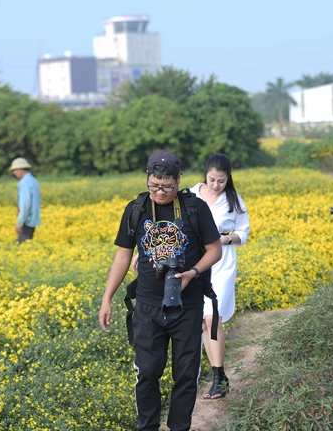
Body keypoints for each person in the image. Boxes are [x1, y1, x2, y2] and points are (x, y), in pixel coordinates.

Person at [99, 150, 222, 431]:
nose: (160, 192)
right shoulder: (136, 209)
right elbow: (121, 257)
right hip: (147, 306)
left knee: (186, 375)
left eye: (167, 186)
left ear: (179, 179)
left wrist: (191, 273)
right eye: (153, 185)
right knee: (147, 374)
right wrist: (107, 298)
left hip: (186, 306)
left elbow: (214, 251)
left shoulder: (195, 208)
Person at [190, 154, 250, 400]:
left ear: (229, 179)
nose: (216, 185)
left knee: (213, 317)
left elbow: (243, 230)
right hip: (197, 260)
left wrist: (226, 238)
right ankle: (219, 377)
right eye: (212, 180)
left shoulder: (234, 200)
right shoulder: (190, 195)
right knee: (204, 322)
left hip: (223, 260)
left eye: (222, 181)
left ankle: (218, 376)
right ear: (205, 174)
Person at [10, 157, 41, 243]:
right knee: (27, 244)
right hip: (33, 220)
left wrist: (20, 222)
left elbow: (25, 203)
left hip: (27, 220)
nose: (14, 173)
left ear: (21, 170)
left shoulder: (24, 182)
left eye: (15, 170)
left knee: (22, 246)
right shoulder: (33, 180)